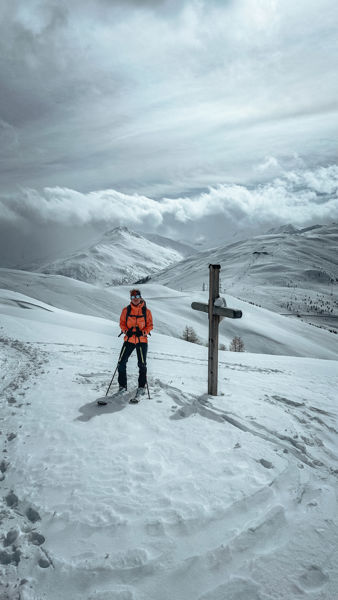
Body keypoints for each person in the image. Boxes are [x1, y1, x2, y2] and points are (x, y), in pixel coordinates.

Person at [118, 288, 153, 397]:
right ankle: (122, 386)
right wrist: (126, 331)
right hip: (129, 340)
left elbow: (150, 326)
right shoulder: (126, 310)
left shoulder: (146, 312)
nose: (135, 299)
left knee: (142, 364)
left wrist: (143, 332)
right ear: (131, 298)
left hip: (141, 341)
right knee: (121, 363)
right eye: (133, 297)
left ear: (140, 297)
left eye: (137, 296)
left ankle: (141, 387)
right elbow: (122, 323)